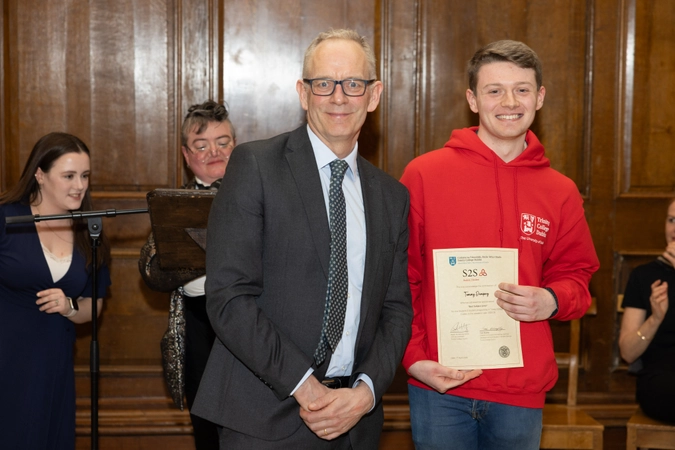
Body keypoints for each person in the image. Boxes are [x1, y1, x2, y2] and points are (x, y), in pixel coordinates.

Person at [191, 29, 412, 449]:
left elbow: (396, 310)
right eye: (323, 84)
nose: (339, 97)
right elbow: (229, 297)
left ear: (374, 94)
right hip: (264, 417)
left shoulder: (391, 196)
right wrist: (308, 390)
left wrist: (364, 394)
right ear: (303, 93)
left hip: (354, 423)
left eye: (353, 84)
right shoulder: (255, 165)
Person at [399, 40, 600, 450]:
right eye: (494, 90)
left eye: (522, 89)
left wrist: (552, 300)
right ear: (473, 99)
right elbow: (402, 278)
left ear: (539, 97)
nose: (509, 101)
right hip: (440, 385)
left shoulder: (560, 191)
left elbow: (578, 279)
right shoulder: (424, 175)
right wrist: (414, 358)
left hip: (521, 392)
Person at [0, 132, 111, 448]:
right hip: (6, 361)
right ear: (40, 175)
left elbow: (95, 304)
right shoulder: (6, 218)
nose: (80, 185)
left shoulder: (90, 231)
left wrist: (69, 308)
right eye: (69, 176)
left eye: (85, 175)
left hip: (54, 364)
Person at [139, 100, 235, 449]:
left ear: (235, 146)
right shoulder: (174, 203)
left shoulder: (261, 195)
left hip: (253, 322)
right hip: (199, 328)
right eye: (201, 145)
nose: (214, 151)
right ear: (186, 154)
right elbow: (151, 270)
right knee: (207, 427)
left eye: (223, 142)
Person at [619, 198, 675, 423]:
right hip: (662, 381)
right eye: (672, 220)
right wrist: (655, 318)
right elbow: (628, 353)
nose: (674, 229)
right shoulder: (643, 276)